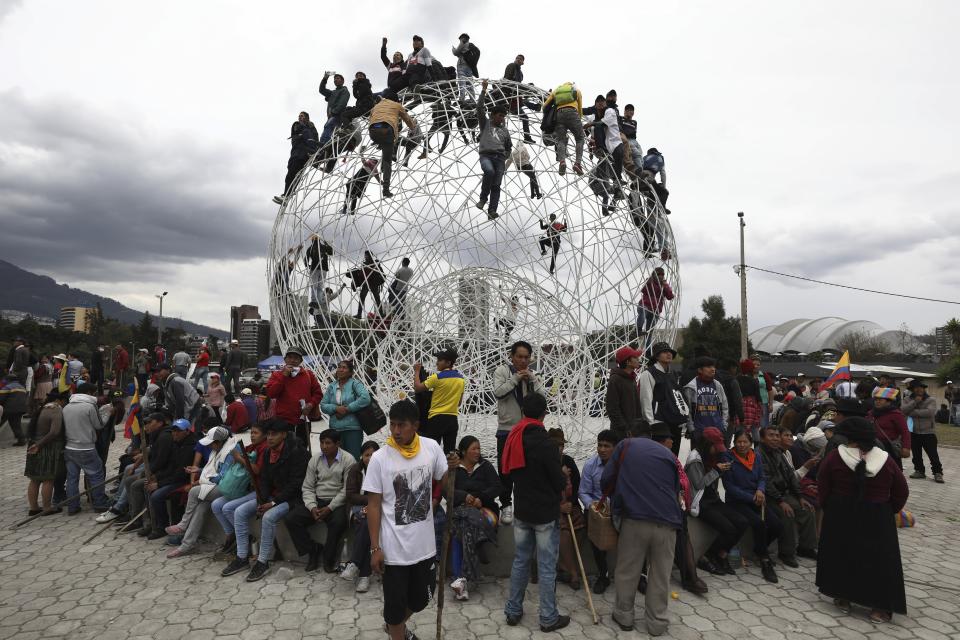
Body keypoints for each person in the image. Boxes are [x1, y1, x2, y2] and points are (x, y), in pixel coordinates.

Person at [363, 400, 455, 640]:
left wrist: (453, 470)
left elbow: (444, 484)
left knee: (423, 598)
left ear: (415, 425)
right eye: (392, 425)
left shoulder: (431, 448)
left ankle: (397, 628)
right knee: (394, 609)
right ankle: (397, 632)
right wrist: (375, 547)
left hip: (424, 548)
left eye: (401, 425)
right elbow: (373, 506)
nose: (395, 431)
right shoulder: (380, 458)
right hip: (394, 552)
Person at [816, 417, 908, 623]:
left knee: (843, 554)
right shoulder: (885, 459)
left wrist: (829, 508)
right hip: (878, 515)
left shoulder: (835, 457)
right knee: (879, 560)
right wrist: (887, 509)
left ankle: (843, 597)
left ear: (851, 438)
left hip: (841, 513)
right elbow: (901, 489)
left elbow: (823, 485)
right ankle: (880, 608)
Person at [602, 425, 682, 635]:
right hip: (668, 521)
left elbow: (606, 479)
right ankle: (657, 623)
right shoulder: (667, 453)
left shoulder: (625, 445)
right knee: (660, 574)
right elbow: (675, 488)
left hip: (636, 519)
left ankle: (624, 615)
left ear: (630, 434)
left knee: (628, 570)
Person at [501, 393, 570, 632]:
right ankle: (548, 617)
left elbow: (508, 472)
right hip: (544, 514)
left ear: (523, 412)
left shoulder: (515, 436)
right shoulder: (545, 443)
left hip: (522, 509)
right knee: (547, 566)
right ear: (543, 414)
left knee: (520, 561)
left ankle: (513, 610)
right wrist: (563, 477)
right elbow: (558, 482)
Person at [222, 418, 310, 582]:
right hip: (272, 497)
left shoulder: (298, 452)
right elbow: (264, 479)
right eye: (268, 434)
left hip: (293, 498)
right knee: (240, 512)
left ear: (283, 435)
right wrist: (262, 500)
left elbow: (296, 484)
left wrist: (273, 503)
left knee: (269, 517)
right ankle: (242, 556)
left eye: (273, 434)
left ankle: (263, 561)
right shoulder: (270, 451)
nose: (269, 438)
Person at [285, 429, 356, 573]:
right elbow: (308, 486)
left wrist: (330, 507)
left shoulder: (348, 460)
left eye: (328, 443)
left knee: (338, 523)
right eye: (322, 443)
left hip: (337, 502)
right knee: (291, 518)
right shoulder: (315, 459)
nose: (324, 446)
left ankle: (329, 559)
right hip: (317, 501)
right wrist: (312, 507)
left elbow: (347, 490)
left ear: (338, 444)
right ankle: (313, 550)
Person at [165, 426, 239, 558]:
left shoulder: (231, 451)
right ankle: (187, 546)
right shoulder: (218, 450)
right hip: (216, 487)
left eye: (211, 444)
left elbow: (221, 477)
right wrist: (199, 471)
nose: (210, 447)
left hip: (229, 488)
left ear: (219, 442)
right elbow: (212, 470)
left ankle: (183, 525)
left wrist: (203, 478)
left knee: (194, 492)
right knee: (201, 507)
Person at [492, 341, 544, 526]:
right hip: (507, 429)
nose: (523, 361)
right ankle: (506, 504)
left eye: (526, 357)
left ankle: (525, 504)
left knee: (527, 469)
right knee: (505, 469)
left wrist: (533, 380)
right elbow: (498, 393)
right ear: (511, 356)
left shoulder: (533, 375)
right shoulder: (502, 371)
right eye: (519, 357)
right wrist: (515, 379)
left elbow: (542, 399)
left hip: (528, 429)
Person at [684, 427, 748, 575]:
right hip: (699, 502)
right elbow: (699, 484)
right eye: (715, 447)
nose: (717, 450)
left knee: (742, 522)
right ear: (707, 444)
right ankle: (707, 557)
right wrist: (716, 471)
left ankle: (721, 555)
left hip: (712, 498)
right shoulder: (695, 459)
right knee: (729, 528)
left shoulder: (712, 456)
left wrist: (722, 469)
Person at [448, 435, 501, 601]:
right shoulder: (455, 468)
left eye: (479, 448)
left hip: (484, 510)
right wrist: (464, 496)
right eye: (474, 449)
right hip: (461, 510)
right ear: (464, 451)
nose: (477, 452)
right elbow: (447, 491)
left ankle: (460, 578)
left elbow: (497, 487)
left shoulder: (485, 466)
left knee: (461, 530)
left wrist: (480, 499)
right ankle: (465, 574)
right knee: (463, 527)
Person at [723, 430, 781, 582]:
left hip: (757, 497)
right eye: (739, 442)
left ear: (750, 443)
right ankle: (764, 558)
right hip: (738, 500)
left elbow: (761, 477)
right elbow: (729, 487)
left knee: (776, 525)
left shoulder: (756, 456)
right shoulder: (728, 458)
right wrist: (752, 497)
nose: (742, 445)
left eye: (745, 442)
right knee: (758, 523)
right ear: (734, 443)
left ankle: (759, 548)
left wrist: (760, 490)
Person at [758, 426, 818, 566]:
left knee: (807, 509)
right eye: (771, 435)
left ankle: (806, 547)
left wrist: (800, 496)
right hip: (770, 497)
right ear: (762, 438)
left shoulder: (780, 452)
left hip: (785, 494)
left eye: (776, 436)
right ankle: (786, 552)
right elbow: (766, 481)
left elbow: (791, 476)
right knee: (787, 513)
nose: (775, 438)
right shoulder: (759, 454)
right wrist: (780, 501)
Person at [211, 422, 268, 555]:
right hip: (245, 487)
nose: (252, 435)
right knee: (216, 505)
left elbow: (256, 470)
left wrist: (239, 458)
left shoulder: (264, 449)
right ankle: (232, 535)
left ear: (264, 435)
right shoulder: (251, 447)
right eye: (252, 432)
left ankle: (246, 541)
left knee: (228, 508)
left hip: (259, 491)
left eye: (256, 433)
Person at [136, 418, 197, 538]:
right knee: (146, 486)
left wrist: (159, 484)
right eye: (173, 430)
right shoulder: (176, 444)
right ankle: (152, 522)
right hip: (172, 478)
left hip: (183, 480)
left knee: (156, 495)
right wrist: (157, 477)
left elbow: (180, 474)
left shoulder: (189, 448)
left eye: (178, 431)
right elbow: (170, 467)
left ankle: (161, 526)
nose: (175, 433)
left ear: (187, 432)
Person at [578, 429, 621, 593]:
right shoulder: (590, 465)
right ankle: (603, 575)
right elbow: (583, 492)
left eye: (606, 446)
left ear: (615, 448)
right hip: (598, 509)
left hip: (618, 508)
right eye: (599, 445)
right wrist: (593, 507)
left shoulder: (623, 466)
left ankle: (640, 576)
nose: (602, 449)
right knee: (594, 533)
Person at [62, 383, 110, 514]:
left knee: (72, 478)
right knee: (96, 475)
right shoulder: (89, 406)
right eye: (93, 393)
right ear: (89, 392)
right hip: (86, 447)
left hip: (69, 448)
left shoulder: (66, 407)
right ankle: (99, 504)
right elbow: (99, 425)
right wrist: (107, 413)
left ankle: (73, 507)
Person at [340, 440, 379, 593]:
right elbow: (351, 495)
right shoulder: (356, 470)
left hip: (377, 508)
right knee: (364, 520)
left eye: (373, 455)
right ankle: (363, 574)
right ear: (361, 456)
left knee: (365, 522)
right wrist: (371, 501)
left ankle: (357, 566)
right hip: (357, 507)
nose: (370, 458)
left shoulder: (383, 470)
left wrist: (373, 504)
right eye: (366, 455)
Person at [548, 428, 584, 591]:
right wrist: (559, 505)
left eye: (561, 445)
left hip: (570, 506)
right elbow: (544, 491)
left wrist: (570, 502)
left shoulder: (568, 461)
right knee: (564, 531)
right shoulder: (545, 463)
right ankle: (574, 572)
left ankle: (564, 567)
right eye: (555, 445)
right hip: (551, 508)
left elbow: (577, 485)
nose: (559, 448)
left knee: (581, 527)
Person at [639, 342, 687, 456]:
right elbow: (645, 400)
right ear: (657, 356)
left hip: (675, 421)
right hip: (659, 422)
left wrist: (682, 416)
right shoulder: (648, 373)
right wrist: (651, 423)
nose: (669, 354)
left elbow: (678, 395)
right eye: (664, 352)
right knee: (660, 457)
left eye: (670, 352)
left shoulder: (674, 373)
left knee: (674, 456)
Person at [413, 348, 465, 452]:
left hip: (436, 419)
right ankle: (449, 469)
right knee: (450, 453)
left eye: (440, 360)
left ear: (448, 362)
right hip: (452, 420)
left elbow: (418, 388)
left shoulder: (437, 377)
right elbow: (459, 403)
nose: (437, 363)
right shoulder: (461, 379)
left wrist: (417, 371)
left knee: (432, 451)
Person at [24, 391, 67, 515]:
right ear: (61, 400)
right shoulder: (56, 409)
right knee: (48, 478)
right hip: (47, 447)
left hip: (34, 444)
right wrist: (39, 445)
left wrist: (36, 444)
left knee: (34, 479)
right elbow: (54, 432)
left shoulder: (43, 407)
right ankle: (47, 507)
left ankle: (34, 507)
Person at [475, 79, 512, 220]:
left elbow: (509, 146)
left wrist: (505, 156)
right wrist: (484, 91)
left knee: (496, 185)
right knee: (489, 172)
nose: (502, 118)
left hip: (500, 159)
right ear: (493, 114)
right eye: (500, 115)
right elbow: (479, 108)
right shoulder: (485, 124)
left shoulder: (505, 131)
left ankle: (492, 210)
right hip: (486, 156)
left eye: (504, 116)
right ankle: (483, 198)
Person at [320, 360, 370, 461]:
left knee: (352, 459)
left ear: (350, 372)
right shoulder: (332, 386)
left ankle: (353, 477)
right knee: (336, 459)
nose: (340, 369)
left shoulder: (355, 384)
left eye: (344, 367)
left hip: (352, 428)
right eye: (339, 367)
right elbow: (323, 405)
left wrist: (347, 409)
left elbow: (365, 398)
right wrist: (336, 408)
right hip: (335, 429)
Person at [264, 346, 323, 431]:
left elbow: (318, 393)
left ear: (301, 361)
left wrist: (311, 404)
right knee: (285, 444)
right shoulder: (277, 375)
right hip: (283, 420)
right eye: (290, 357)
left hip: (303, 419)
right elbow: (271, 393)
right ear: (285, 359)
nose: (292, 360)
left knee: (302, 444)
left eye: (296, 358)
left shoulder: (308, 375)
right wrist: (283, 376)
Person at [273, 112, 319, 205]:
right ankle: (286, 195)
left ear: (307, 118)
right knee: (290, 175)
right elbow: (295, 137)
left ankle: (287, 196)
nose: (299, 117)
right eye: (299, 116)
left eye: (302, 116)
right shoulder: (298, 127)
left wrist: (312, 152)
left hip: (302, 155)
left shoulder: (310, 129)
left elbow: (313, 141)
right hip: (295, 154)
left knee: (295, 175)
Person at [902, 380, 943, 483]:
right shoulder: (907, 399)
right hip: (913, 431)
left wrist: (912, 412)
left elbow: (930, 412)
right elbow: (903, 410)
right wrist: (915, 402)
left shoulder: (931, 400)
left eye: (921, 387)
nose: (919, 389)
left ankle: (938, 473)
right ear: (912, 390)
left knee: (933, 454)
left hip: (928, 432)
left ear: (924, 388)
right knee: (916, 454)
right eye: (916, 387)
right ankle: (919, 471)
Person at [682, 356, 729, 443]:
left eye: (713, 366)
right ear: (700, 370)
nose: (713, 369)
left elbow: (725, 406)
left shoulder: (717, 385)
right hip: (699, 432)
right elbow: (687, 411)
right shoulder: (690, 387)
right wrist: (692, 429)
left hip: (718, 431)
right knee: (698, 456)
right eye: (709, 366)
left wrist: (724, 426)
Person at [542, 81, 584, 176]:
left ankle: (562, 162)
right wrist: (578, 120)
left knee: (561, 140)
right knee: (580, 138)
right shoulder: (576, 90)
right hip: (573, 112)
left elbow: (544, 106)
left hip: (559, 115)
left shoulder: (556, 91)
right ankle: (577, 164)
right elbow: (580, 108)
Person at [605, 346, 644, 439]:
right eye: (635, 357)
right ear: (627, 362)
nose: (638, 359)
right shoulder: (616, 379)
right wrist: (624, 428)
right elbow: (612, 408)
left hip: (634, 430)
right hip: (622, 433)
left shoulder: (631, 378)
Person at [868, 387, 910, 470]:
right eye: (876, 399)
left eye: (881, 399)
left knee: (893, 471)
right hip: (873, 446)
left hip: (889, 447)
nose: (877, 401)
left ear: (888, 402)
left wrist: (906, 447)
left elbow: (905, 432)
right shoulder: (870, 413)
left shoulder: (896, 414)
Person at [636, 268, 675, 356]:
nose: (660, 276)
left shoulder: (663, 285)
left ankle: (648, 352)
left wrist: (665, 286)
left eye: (662, 274)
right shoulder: (650, 282)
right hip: (645, 304)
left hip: (655, 310)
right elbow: (643, 290)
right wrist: (648, 282)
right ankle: (638, 329)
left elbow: (670, 296)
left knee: (649, 332)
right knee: (642, 312)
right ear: (654, 275)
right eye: (658, 274)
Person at [317, 72, 350, 147]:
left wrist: (333, 112)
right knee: (328, 128)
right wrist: (325, 78)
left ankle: (324, 144)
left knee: (329, 126)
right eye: (334, 79)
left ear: (342, 81)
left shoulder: (344, 91)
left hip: (337, 115)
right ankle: (322, 147)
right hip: (331, 116)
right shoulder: (332, 92)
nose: (335, 80)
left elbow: (342, 103)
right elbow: (321, 90)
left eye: (337, 78)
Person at [352, 250, 386, 318]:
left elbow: (380, 272)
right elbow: (362, 273)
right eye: (365, 255)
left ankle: (381, 313)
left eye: (366, 255)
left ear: (369, 255)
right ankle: (359, 314)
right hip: (367, 283)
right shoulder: (367, 263)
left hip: (372, 283)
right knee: (364, 298)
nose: (365, 257)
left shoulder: (375, 263)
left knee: (376, 299)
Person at [0, 373, 28, 445]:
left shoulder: (8, 387)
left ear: (8, 380)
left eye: (5, 379)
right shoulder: (22, 387)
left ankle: (21, 440)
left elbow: (1, 399)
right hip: (21, 409)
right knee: (16, 425)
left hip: (9, 409)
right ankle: (21, 440)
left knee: (1, 422)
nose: (4, 381)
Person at [451, 33, 478, 103]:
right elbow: (463, 54)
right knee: (469, 83)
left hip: (462, 65)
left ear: (462, 38)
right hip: (469, 66)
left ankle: (461, 98)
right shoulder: (471, 45)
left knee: (462, 82)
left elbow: (456, 53)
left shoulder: (463, 42)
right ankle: (472, 99)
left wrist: (453, 49)